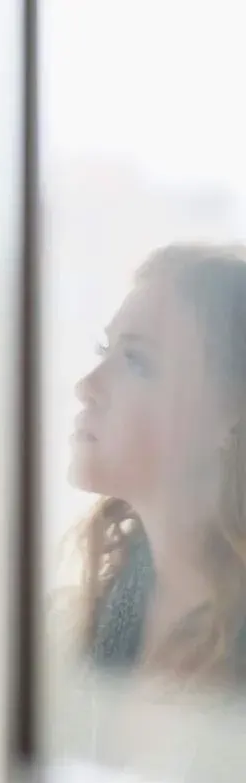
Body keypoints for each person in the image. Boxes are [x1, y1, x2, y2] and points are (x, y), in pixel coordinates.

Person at [69, 243, 246, 682]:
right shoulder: (116, 597)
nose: (86, 386)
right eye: (103, 350)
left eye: (136, 361)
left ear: (230, 415)